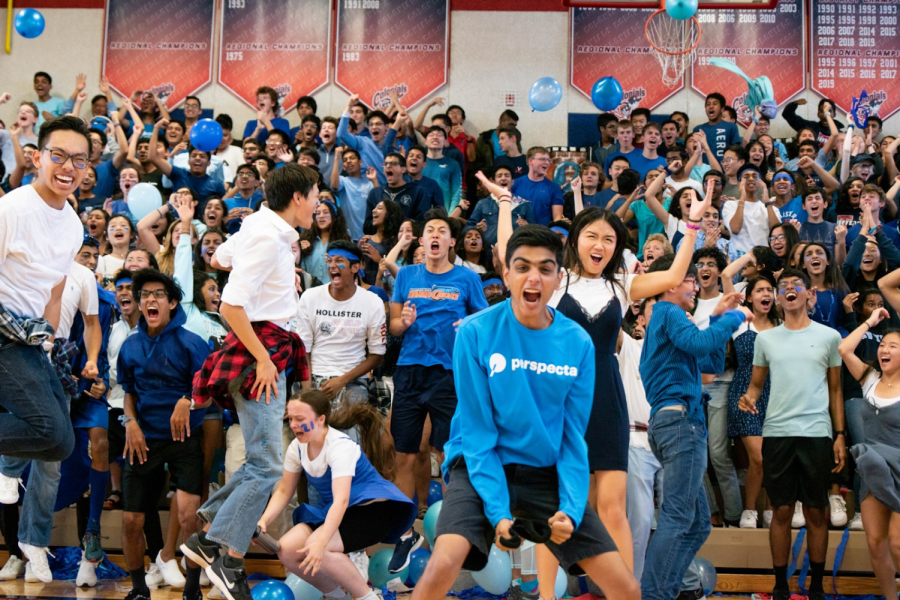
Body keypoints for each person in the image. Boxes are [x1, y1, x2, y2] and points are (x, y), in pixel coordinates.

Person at [410, 223, 640, 600]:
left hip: (544, 472)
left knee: (627, 588)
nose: (533, 278)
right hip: (481, 464)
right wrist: (499, 514)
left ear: (558, 278)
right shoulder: (475, 332)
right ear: (506, 273)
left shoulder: (578, 342)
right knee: (442, 564)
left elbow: (572, 438)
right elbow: (478, 434)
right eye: (522, 267)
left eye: (545, 269)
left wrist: (568, 508)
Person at [183, 164, 318, 600]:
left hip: (265, 341)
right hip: (260, 348)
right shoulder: (264, 235)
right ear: (297, 197)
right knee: (267, 466)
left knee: (261, 461)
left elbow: (219, 258)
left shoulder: (260, 225)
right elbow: (231, 305)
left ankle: (207, 533)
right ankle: (224, 554)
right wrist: (262, 359)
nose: (318, 203)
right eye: (315, 194)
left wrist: (275, 282)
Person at [640, 254, 750, 600]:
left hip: (674, 424)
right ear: (672, 283)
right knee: (676, 519)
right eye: (690, 281)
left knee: (699, 523)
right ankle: (654, 595)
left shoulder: (670, 320)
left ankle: (666, 591)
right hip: (680, 424)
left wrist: (716, 317)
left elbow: (710, 364)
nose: (696, 287)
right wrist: (733, 317)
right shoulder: (668, 312)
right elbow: (701, 343)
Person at [388, 208, 489, 572]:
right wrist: (404, 321)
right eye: (428, 230)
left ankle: (452, 533)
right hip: (410, 372)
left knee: (447, 456)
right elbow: (394, 327)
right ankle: (404, 534)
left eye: (440, 231)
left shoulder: (467, 278)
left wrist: (469, 323)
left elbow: (484, 318)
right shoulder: (407, 276)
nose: (433, 235)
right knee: (404, 455)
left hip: (450, 375)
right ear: (422, 240)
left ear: (450, 241)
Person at [739, 269, 846, 600]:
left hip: (816, 433)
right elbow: (756, 385)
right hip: (778, 433)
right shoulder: (766, 339)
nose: (787, 290)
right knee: (782, 510)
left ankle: (816, 585)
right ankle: (781, 584)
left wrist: (840, 434)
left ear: (807, 292)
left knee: (816, 510)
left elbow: (835, 390)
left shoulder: (829, 336)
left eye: (793, 285)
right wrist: (749, 398)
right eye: (781, 286)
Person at [259, 391, 415, 600]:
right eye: (290, 418)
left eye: (300, 419)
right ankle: (336, 596)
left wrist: (322, 540)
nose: (294, 425)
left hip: (373, 512)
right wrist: (263, 521)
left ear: (321, 419)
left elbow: (341, 500)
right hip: (340, 511)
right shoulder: (297, 447)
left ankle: (368, 597)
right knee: (287, 550)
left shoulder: (340, 446)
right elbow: (284, 491)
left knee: (318, 546)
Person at [0, 116, 90, 464]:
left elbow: (55, 292)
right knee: (48, 430)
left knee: (61, 443)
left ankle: (6, 475)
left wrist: (48, 346)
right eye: (59, 155)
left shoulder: (72, 224)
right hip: (5, 331)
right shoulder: (12, 210)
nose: (69, 167)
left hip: (31, 339)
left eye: (79, 159)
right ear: (37, 157)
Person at [117, 269, 210, 600]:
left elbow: (209, 394)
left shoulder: (192, 343)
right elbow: (128, 391)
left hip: (184, 440)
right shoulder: (129, 347)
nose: (149, 299)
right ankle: (139, 588)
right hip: (144, 440)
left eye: (157, 294)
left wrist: (188, 400)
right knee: (130, 520)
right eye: (144, 295)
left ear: (172, 302)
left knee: (188, 516)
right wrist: (130, 422)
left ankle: (191, 587)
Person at [838, 306, 900, 599]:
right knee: (875, 543)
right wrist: (869, 322)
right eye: (883, 345)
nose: (885, 350)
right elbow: (844, 348)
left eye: (894, 347)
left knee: (898, 543)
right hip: (875, 470)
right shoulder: (870, 378)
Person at [725, 278, 780, 529]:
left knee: (773, 456)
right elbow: (726, 278)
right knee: (757, 457)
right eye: (760, 290)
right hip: (745, 394)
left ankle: (769, 509)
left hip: (777, 395)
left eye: (769, 290)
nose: (765, 294)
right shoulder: (739, 321)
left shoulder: (783, 326)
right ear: (749, 297)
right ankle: (749, 510)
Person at [148, 119, 226, 211]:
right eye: (194, 155)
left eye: (202, 156)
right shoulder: (179, 174)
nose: (197, 158)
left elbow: (222, 208)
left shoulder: (216, 184)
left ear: (209, 163)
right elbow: (152, 157)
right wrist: (156, 128)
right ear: (188, 161)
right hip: (178, 222)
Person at [722, 166, 781, 257]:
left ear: (760, 182)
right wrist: (742, 199)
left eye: (754, 176)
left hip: (763, 256)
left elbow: (777, 233)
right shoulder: (730, 205)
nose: (751, 179)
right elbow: (735, 229)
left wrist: (768, 204)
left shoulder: (771, 209)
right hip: (738, 255)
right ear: (739, 183)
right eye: (746, 177)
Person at [510, 147, 564, 226]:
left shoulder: (554, 188)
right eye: (542, 159)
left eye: (548, 160)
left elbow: (557, 219)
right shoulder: (515, 184)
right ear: (531, 161)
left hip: (542, 235)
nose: (547, 163)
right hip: (518, 234)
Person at [331, 147, 374, 242]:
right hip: (348, 237)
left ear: (360, 162)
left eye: (352, 158)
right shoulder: (343, 181)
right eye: (345, 160)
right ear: (343, 167)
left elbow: (378, 201)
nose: (348, 161)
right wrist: (336, 158)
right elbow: (334, 185)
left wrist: (374, 180)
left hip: (367, 237)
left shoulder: (369, 184)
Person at [423, 126, 463, 214]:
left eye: (439, 135)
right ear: (425, 141)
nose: (435, 137)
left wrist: (450, 217)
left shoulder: (453, 164)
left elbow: (456, 193)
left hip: (444, 214)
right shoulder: (419, 163)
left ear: (445, 142)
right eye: (431, 135)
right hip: (420, 214)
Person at [693, 93, 741, 164]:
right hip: (703, 172)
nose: (711, 106)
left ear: (722, 109)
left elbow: (736, 152)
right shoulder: (698, 129)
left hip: (725, 171)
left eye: (715, 104)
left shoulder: (731, 126)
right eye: (708, 104)